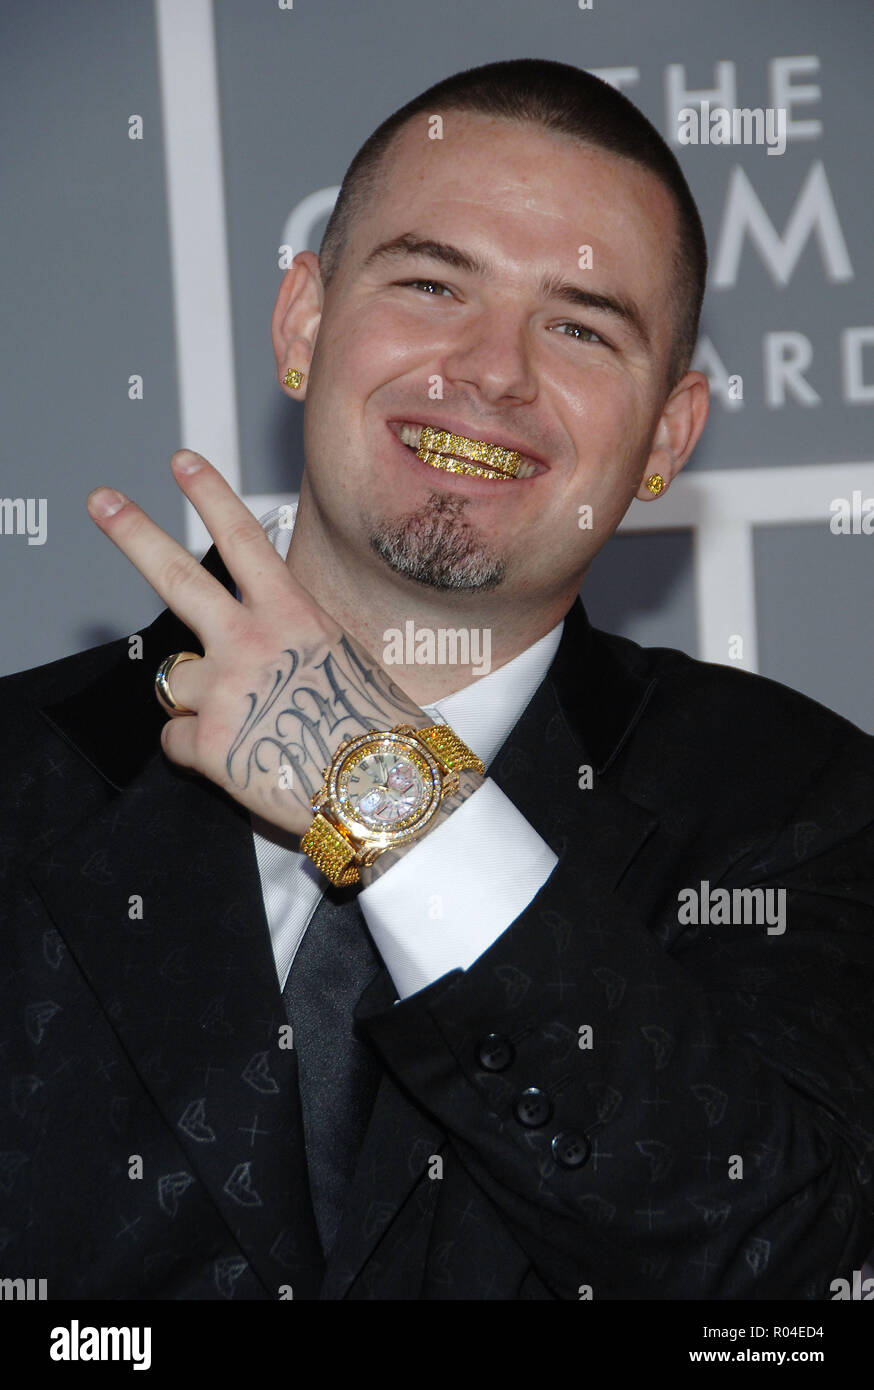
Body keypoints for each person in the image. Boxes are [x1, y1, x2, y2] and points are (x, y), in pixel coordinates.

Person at [2, 58, 872, 1302]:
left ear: (668, 437)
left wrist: (379, 785)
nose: (492, 370)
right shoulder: (20, 770)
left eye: (579, 325)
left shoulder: (802, 808)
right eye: (429, 282)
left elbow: (764, 1262)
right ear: (302, 323)